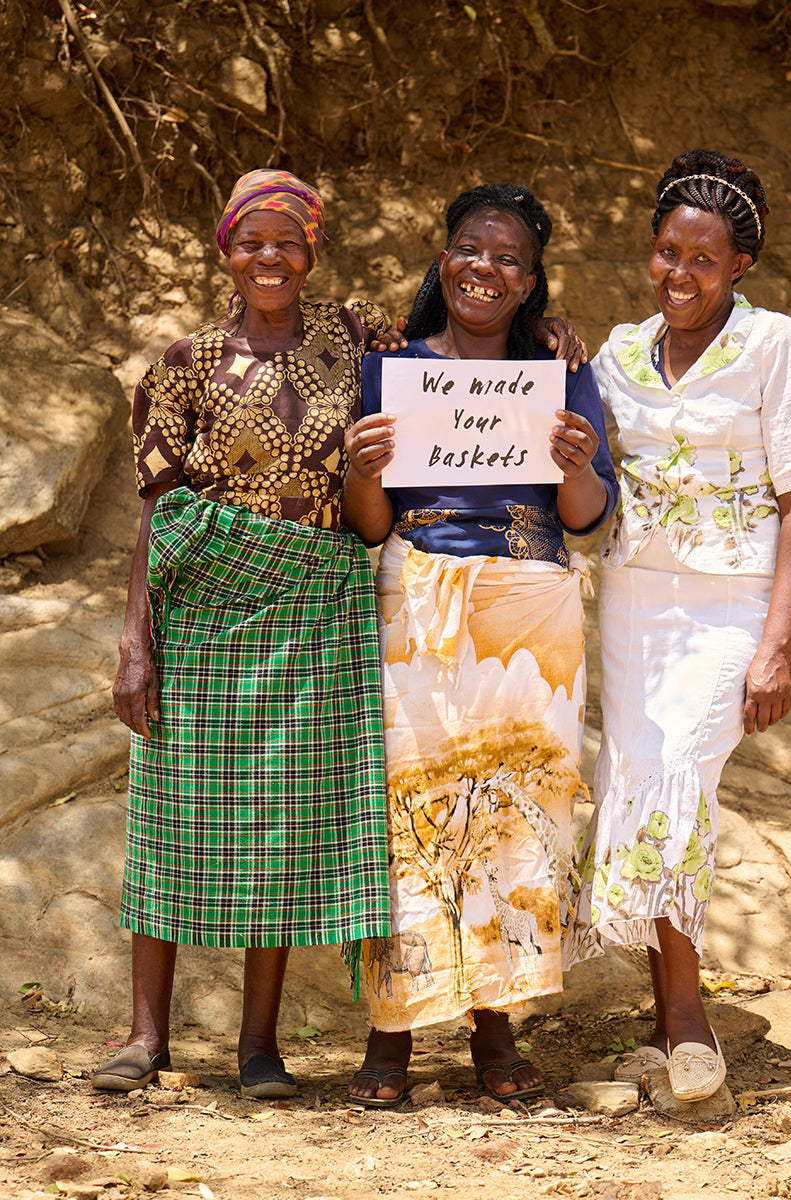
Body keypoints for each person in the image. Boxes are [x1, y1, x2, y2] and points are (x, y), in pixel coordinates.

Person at [92, 169, 397, 1100]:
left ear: (312, 251)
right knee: (170, 810)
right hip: (205, 607)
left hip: (315, 602)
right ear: (225, 251)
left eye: (288, 241)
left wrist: (545, 323)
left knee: (281, 822)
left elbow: (460, 334)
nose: (272, 256)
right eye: (252, 241)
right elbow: (156, 511)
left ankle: (258, 1046)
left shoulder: (359, 340)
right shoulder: (183, 363)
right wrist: (137, 641)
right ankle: (146, 1036)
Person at [342, 183, 618, 1107]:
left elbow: (585, 518)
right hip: (416, 595)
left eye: (507, 259)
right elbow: (370, 524)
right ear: (443, 258)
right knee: (408, 816)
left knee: (512, 821)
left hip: (531, 611)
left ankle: (495, 1029)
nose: (485, 269)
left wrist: (577, 464)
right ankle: (391, 1035)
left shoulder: (561, 375)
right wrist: (361, 469)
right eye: (470, 249)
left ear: (531, 281)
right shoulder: (393, 370)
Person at [570, 150, 791, 1103]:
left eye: (704, 261)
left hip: (731, 602)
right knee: (637, 778)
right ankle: (667, 1011)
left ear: (740, 269)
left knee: (681, 768)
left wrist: (777, 643)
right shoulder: (618, 353)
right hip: (636, 597)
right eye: (667, 253)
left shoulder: (775, 347)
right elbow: (578, 452)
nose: (680, 276)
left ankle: (687, 1022)